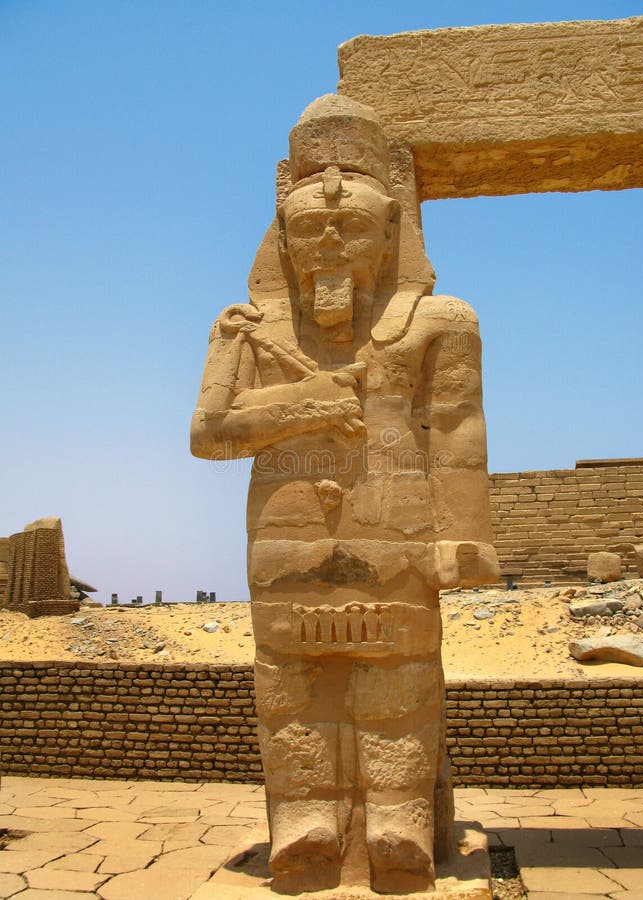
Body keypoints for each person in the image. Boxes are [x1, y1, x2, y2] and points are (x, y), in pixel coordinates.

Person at [191, 94, 498, 894]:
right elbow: (211, 433)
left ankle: (397, 818)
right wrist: (303, 406)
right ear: (284, 242)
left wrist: (465, 533)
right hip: (284, 532)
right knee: (290, 681)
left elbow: (456, 425)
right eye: (308, 228)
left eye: (351, 227)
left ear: (391, 231)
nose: (328, 241)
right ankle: (305, 819)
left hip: (395, 531)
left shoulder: (437, 320)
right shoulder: (252, 330)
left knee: (395, 677)